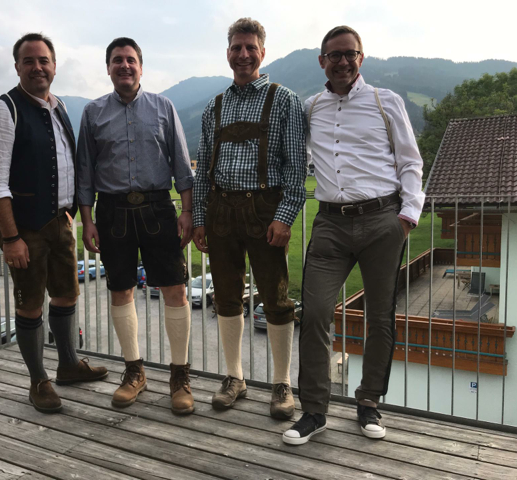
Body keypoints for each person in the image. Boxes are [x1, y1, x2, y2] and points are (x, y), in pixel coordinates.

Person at [283, 25, 425, 444]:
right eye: (335, 54)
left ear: (361, 58)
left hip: (383, 220)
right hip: (330, 223)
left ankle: (369, 403)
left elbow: (410, 162)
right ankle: (314, 411)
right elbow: (292, 156)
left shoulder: (386, 101)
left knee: (380, 316)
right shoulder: (311, 108)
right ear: (322, 61)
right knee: (315, 312)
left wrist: (407, 217)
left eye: (351, 54)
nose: (343, 61)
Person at [0, 33, 108, 413]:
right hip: (25, 229)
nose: (37, 67)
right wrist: (10, 238)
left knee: (66, 294)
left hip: (59, 222)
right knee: (31, 305)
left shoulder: (59, 105)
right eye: (29, 61)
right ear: (17, 67)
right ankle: (38, 380)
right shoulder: (3, 110)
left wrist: (71, 214)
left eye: (43, 60)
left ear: (54, 65)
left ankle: (68, 365)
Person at [193, 18, 307, 419]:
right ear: (228, 53)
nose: (243, 55)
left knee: (276, 298)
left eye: (250, 48)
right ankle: (234, 377)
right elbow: (202, 171)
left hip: (265, 210)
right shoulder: (213, 106)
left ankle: (282, 384)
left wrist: (285, 216)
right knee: (226, 296)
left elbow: (296, 167)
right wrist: (199, 218)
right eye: (236, 48)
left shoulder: (284, 99)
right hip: (221, 210)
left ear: (262, 52)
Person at [77, 37, 195, 415]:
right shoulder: (92, 113)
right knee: (120, 290)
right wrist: (87, 221)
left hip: (158, 208)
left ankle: (180, 376)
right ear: (108, 68)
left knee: (175, 289)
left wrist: (188, 211)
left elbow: (182, 164)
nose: (124, 66)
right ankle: (134, 372)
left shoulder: (164, 106)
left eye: (130, 60)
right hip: (112, 213)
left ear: (141, 67)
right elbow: (84, 172)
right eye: (117, 60)